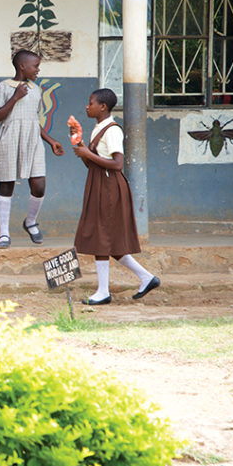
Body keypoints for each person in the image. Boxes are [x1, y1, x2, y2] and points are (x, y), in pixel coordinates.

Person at [72, 88, 160, 305]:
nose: (87, 106)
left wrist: (88, 153)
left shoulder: (112, 130)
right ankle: (146, 277)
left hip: (109, 187)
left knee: (102, 236)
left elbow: (118, 164)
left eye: (90, 102)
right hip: (99, 183)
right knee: (105, 238)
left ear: (103, 107)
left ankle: (103, 291)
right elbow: (92, 163)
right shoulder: (97, 129)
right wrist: (81, 147)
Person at [0, 50, 64, 249]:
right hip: (9, 137)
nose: (38, 70)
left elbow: (33, 120)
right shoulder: (4, 87)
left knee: (39, 185)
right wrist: (15, 97)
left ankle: (30, 221)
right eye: (35, 66)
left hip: (32, 140)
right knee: (7, 184)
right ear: (22, 66)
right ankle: (4, 232)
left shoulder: (36, 90)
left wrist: (50, 140)